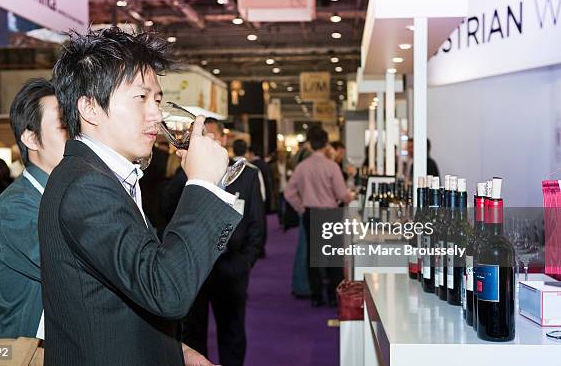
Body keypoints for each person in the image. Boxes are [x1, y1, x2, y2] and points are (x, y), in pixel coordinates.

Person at [39, 27, 242, 366]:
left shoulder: (102, 176)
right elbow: (166, 289)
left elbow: (128, 289)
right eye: (141, 98)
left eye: (158, 100)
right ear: (90, 108)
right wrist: (203, 184)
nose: (156, 114)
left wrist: (177, 352)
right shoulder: (86, 186)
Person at [177, 121, 265, 366]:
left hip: (232, 266)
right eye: (204, 137)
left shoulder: (246, 174)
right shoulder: (186, 170)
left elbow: (257, 223)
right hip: (195, 269)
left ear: (223, 140)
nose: (210, 142)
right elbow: (166, 207)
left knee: (233, 334)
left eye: (214, 137)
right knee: (193, 335)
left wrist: (246, 261)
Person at [0, 78, 67, 338]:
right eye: (64, 127)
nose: (76, 137)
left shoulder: (67, 194)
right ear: (31, 138)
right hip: (33, 352)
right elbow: (71, 271)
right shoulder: (15, 207)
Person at [284, 125, 353, 306]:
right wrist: (349, 196)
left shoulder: (302, 167)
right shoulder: (332, 166)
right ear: (326, 144)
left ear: (310, 145)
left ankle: (316, 296)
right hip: (330, 213)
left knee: (312, 256)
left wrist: (301, 208)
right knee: (333, 257)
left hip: (310, 213)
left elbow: (289, 192)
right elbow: (342, 195)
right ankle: (333, 296)